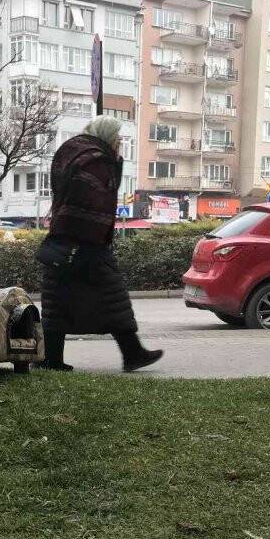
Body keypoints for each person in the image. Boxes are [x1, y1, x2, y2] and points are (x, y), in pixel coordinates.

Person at [36, 115, 163, 372]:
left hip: (61, 241)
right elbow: (95, 201)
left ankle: (52, 359)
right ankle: (132, 353)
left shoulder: (71, 151)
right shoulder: (96, 161)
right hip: (87, 243)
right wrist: (114, 164)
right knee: (113, 298)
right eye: (116, 139)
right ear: (106, 137)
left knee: (58, 303)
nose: (118, 144)